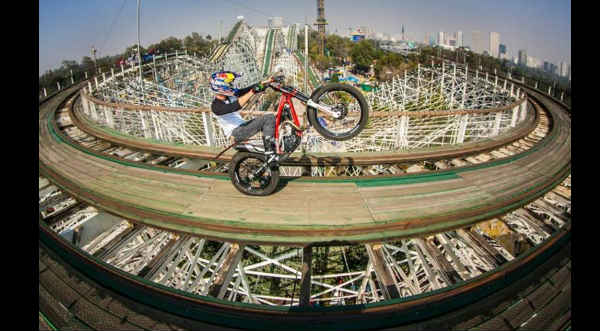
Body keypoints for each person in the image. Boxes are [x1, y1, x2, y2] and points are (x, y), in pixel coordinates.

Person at [209, 71, 277, 157]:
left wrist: (265, 83)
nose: (231, 85)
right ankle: (270, 150)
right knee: (269, 118)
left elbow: (245, 90)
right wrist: (252, 91)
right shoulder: (215, 106)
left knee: (276, 117)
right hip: (236, 133)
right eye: (229, 84)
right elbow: (236, 106)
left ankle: (273, 145)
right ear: (222, 86)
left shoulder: (229, 96)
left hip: (243, 126)